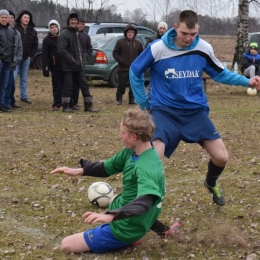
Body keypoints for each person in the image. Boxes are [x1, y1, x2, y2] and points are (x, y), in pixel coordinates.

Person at [129, 10, 260, 207]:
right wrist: (145, 104)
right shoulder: (157, 48)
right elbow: (135, 71)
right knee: (155, 156)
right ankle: (141, 204)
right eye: (184, 34)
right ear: (176, 28)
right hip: (164, 111)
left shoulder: (203, 47)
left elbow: (220, 74)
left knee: (221, 157)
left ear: (198, 30)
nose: (189, 38)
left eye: (193, 34)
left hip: (194, 112)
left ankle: (211, 182)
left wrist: (247, 81)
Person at [50, 108, 180, 254]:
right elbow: (107, 167)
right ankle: (164, 231)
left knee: (66, 245)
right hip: (141, 217)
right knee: (113, 200)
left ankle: (127, 239)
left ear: (134, 137)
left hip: (128, 227)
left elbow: (145, 201)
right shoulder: (135, 151)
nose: (120, 136)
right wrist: (79, 171)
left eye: (123, 133)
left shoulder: (146, 166)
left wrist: (111, 216)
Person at [57, 13, 98, 113]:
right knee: (68, 86)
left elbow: (84, 49)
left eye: (75, 19)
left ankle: (88, 106)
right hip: (68, 66)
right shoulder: (64, 34)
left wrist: (82, 59)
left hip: (79, 66)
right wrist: (72, 60)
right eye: (72, 19)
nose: (74, 21)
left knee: (84, 85)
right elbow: (61, 50)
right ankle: (66, 106)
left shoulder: (79, 34)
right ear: (68, 21)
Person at [113, 24, 143, 105]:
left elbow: (141, 55)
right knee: (121, 85)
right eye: (129, 32)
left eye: (132, 32)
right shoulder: (120, 42)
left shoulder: (138, 43)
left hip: (134, 69)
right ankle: (119, 99)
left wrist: (138, 64)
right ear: (126, 33)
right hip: (122, 68)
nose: (130, 33)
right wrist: (121, 60)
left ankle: (131, 99)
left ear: (134, 34)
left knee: (133, 85)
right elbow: (115, 53)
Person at [14, 10, 38, 105]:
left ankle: (23, 96)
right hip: (16, 58)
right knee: (13, 78)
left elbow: (35, 45)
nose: (26, 19)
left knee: (24, 79)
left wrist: (30, 56)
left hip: (26, 59)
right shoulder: (15, 29)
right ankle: (10, 96)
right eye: (25, 17)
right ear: (20, 18)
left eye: (28, 18)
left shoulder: (33, 31)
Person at [70, 17, 93, 111]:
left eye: (83, 24)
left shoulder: (86, 36)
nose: (81, 25)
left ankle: (88, 105)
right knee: (72, 85)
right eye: (80, 23)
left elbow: (89, 49)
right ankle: (72, 103)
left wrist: (84, 57)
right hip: (71, 64)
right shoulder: (71, 34)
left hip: (81, 64)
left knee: (83, 84)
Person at [42, 20, 63, 111]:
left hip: (65, 65)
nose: (54, 29)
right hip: (54, 65)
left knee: (67, 84)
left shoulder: (63, 37)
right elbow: (45, 55)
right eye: (52, 27)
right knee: (56, 85)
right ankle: (57, 103)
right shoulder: (47, 39)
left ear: (58, 27)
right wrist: (45, 68)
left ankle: (68, 102)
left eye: (55, 27)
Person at [4, 10, 23, 110]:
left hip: (13, 62)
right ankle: (5, 103)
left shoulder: (16, 33)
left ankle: (10, 102)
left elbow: (19, 47)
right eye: (8, 17)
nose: (10, 19)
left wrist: (17, 59)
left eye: (12, 17)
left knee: (11, 84)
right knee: (5, 84)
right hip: (4, 61)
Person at [0, 9, 15, 113]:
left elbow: (12, 45)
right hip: (0, 61)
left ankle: (2, 104)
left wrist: (12, 57)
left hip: (8, 62)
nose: (4, 19)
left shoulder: (10, 30)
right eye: (2, 17)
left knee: (4, 85)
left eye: (6, 17)